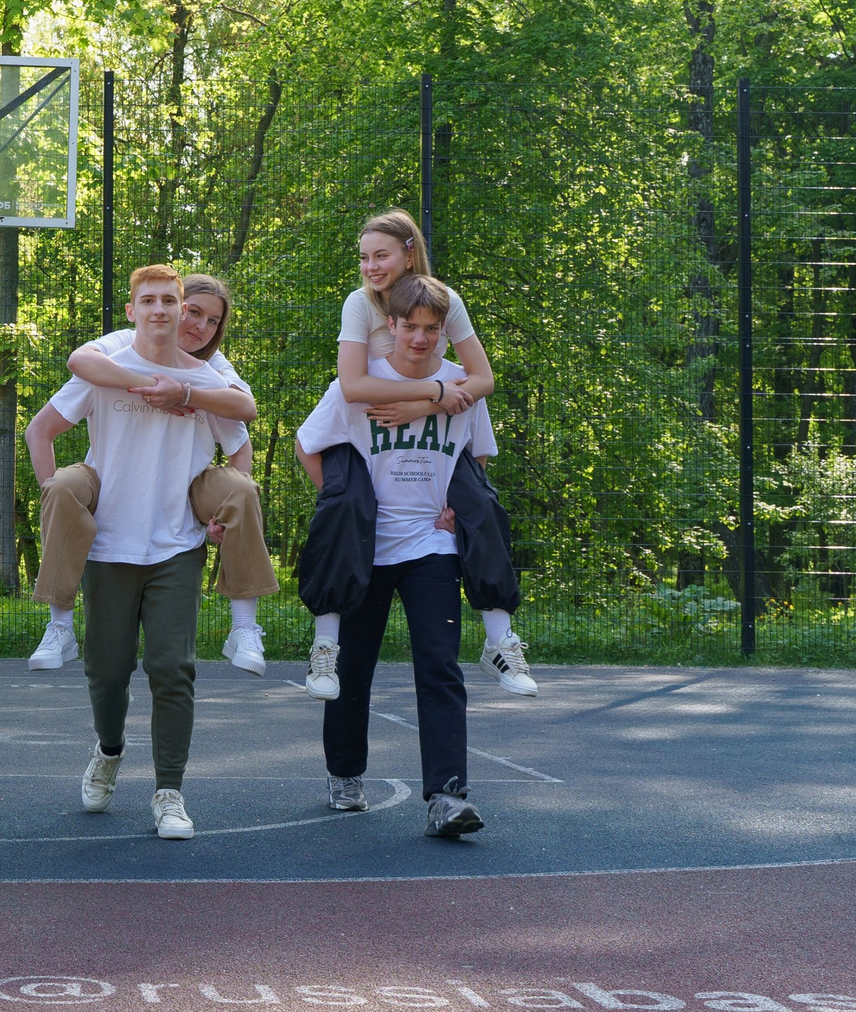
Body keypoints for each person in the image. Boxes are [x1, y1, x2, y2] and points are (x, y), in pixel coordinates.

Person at [22, 265, 247, 841]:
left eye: (170, 301)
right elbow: (39, 432)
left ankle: (169, 791)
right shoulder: (107, 369)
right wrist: (64, 512)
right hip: (109, 544)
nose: (161, 310)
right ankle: (110, 750)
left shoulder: (206, 380)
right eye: (148, 300)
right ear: (131, 310)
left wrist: (222, 515)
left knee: (173, 669)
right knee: (107, 670)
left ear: (182, 309)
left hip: (175, 544)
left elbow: (239, 447)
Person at [311, 210, 536, 698]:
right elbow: (352, 386)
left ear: (409, 252)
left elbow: (482, 380)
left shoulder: (444, 300)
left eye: (382, 255)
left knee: (481, 506)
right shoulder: (359, 302)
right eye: (365, 257)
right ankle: (324, 648)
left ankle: (500, 640)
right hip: (374, 435)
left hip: (432, 444)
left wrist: (427, 403)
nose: (371, 266)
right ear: (392, 323)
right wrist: (432, 396)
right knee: (344, 507)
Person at [300, 274, 489, 838]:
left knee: (440, 666)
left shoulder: (462, 387)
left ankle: (447, 797)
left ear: (445, 334)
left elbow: (477, 462)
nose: (421, 339)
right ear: (391, 325)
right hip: (368, 549)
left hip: (431, 545)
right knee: (354, 667)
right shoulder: (359, 386)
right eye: (411, 327)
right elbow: (308, 445)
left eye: (433, 330)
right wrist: (343, 509)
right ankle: (345, 773)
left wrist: (459, 508)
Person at [26, 273, 277, 674]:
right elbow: (77, 365)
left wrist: (226, 515)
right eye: (194, 312)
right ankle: (59, 627)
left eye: (213, 321)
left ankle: (245, 628)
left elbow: (244, 414)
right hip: (110, 486)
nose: (200, 326)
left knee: (242, 490)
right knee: (63, 488)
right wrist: (149, 386)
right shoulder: (122, 347)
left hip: (186, 493)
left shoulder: (210, 367)